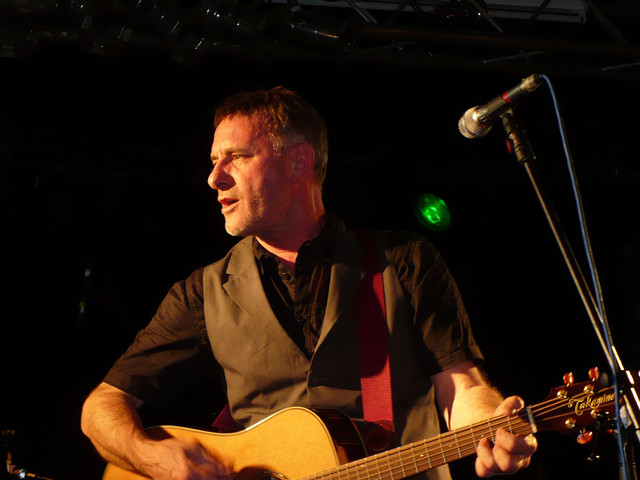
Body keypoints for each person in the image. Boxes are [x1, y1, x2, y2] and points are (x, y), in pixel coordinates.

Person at [80, 86, 537, 480]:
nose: (214, 177)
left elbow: (461, 386)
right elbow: (101, 407)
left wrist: (490, 431)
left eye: (237, 157)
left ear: (299, 162)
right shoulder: (202, 292)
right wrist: (150, 457)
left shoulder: (402, 260)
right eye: (215, 160)